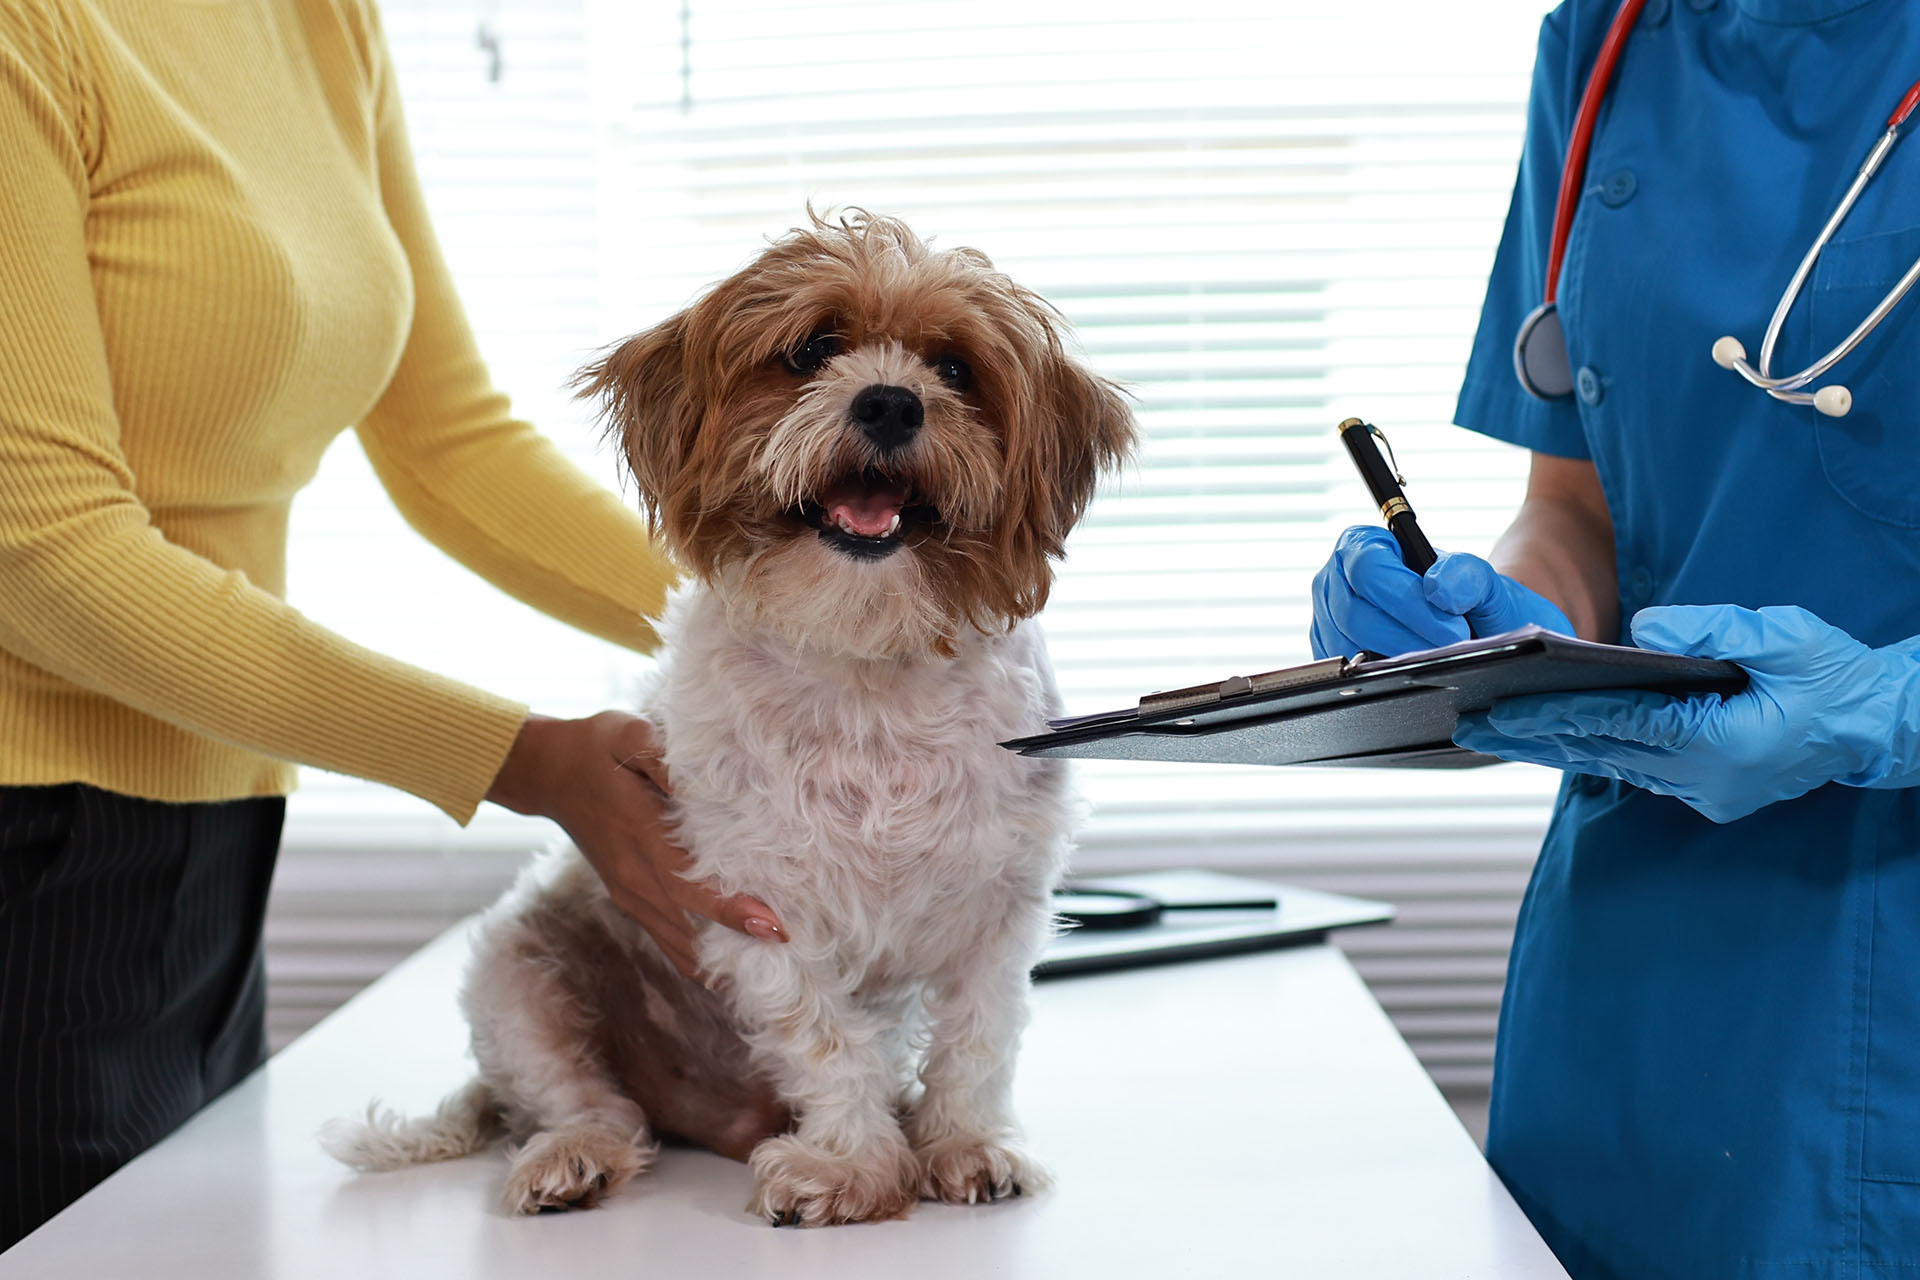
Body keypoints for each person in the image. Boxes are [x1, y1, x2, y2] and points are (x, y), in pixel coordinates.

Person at [0, 0, 784, 1248]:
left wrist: (813, 603)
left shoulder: (320, 20)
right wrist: (522, 758)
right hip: (28, 829)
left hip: (214, 811)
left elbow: (451, 445)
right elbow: (43, 552)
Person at [1310, 0, 1920, 1276]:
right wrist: (1497, 619)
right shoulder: (1605, 39)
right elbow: (1579, 510)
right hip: (1622, 975)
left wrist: (1884, 706)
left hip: (1887, 969)